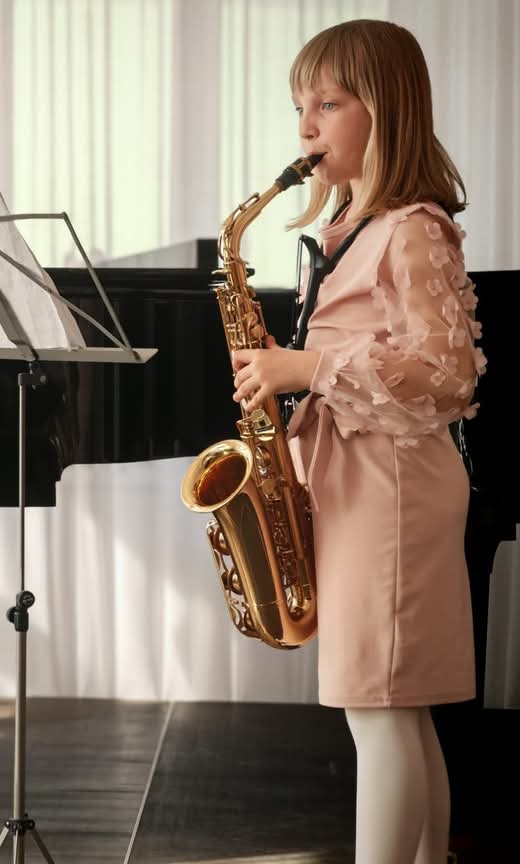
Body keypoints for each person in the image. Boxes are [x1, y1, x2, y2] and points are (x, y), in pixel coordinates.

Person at [229, 20, 484, 864]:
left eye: (328, 104)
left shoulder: (412, 226)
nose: (305, 126)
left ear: (387, 109)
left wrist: (303, 365)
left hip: (392, 484)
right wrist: (286, 375)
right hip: (359, 476)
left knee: (377, 711)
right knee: (397, 712)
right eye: (299, 106)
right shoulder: (350, 224)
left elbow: (447, 373)